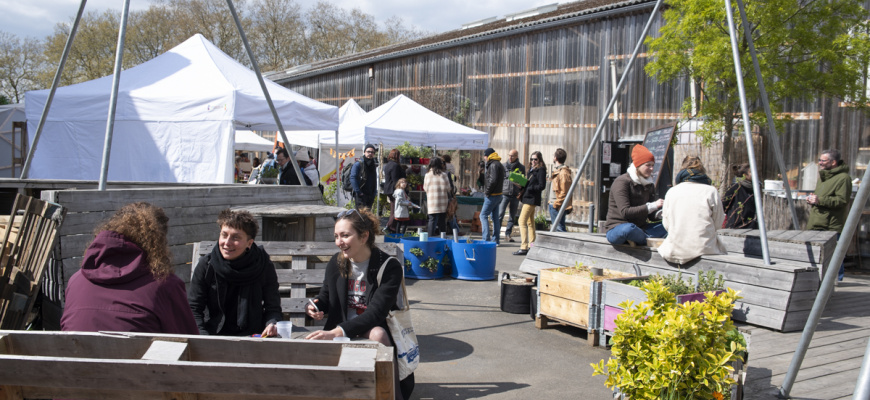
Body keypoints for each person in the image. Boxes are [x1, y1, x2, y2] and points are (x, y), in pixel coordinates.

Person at [305, 207, 414, 399]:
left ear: (364, 236)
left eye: (345, 235)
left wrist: (336, 332)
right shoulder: (336, 262)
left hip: (367, 328)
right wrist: (315, 306)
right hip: (340, 330)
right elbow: (325, 296)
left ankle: (392, 394)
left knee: (378, 334)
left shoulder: (388, 267)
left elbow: (376, 314)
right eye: (336, 236)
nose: (339, 242)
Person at [61, 202, 198, 334]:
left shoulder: (75, 281)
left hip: (77, 356)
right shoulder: (165, 285)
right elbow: (190, 342)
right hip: (135, 357)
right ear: (157, 242)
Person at [188, 209, 282, 337]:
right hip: (214, 335)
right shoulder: (207, 265)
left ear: (249, 243)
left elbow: (273, 308)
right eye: (224, 235)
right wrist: (204, 338)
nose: (227, 243)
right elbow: (193, 308)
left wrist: (272, 323)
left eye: (235, 237)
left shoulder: (263, 265)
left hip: (255, 336)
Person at [657, 156, 727, 264]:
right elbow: (718, 222)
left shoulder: (672, 191)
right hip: (704, 247)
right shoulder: (710, 191)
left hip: (675, 247)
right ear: (702, 171)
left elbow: (666, 223)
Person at [604, 144, 667, 245]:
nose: (651, 169)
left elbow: (650, 216)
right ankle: (648, 239)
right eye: (648, 165)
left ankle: (643, 239)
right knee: (628, 230)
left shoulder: (649, 184)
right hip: (618, 228)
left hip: (641, 228)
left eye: (652, 165)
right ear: (638, 165)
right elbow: (625, 212)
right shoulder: (622, 182)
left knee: (672, 225)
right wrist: (653, 205)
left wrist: (662, 214)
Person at [807, 149, 851, 283]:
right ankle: (820, 279)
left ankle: (836, 279)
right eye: (819, 160)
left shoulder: (843, 178)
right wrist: (812, 199)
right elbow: (821, 197)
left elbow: (842, 201)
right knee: (817, 253)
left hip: (831, 223)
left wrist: (820, 200)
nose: (819, 163)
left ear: (833, 162)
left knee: (833, 253)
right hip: (817, 220)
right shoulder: (824, 177)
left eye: (823, 160)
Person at [514, 151, 547, 256]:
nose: (533, 161)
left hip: (532, 198)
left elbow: (542, 186)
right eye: (531, 159)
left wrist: (530, 188)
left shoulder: (541, 170)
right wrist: (520, 184)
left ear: (540, 160)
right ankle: (531, 245)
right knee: (529, 222)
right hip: (527, 197)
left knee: (521, 221)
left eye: (535, 159)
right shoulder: (531, 170)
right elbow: (528, 183)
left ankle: (523, 246)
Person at [498, 149, 525, 242]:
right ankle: (496, 234)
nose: (510, 157)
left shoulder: (521, 167)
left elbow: (523, 182)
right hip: (504, 193)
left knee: (512, 216)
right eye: (509, 155)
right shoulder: (503, 166)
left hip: (515, 194)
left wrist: (517, 181)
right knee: (500, 214)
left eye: (512, 156)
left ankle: (508, 234)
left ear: (517, 156)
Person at [480, 148, 505, 244]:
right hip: (498, 195)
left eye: (485, 156)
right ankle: (496, 240)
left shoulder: (493, 164)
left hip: (492, 195)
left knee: (483, 215)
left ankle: (485, 240)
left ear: (488, 156)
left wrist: (487, 192)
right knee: (495, 218)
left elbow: (493, 180)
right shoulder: (499, 164)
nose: (484, 158)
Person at [722, 163, 758, 229]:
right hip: (735, 227)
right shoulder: (735, 188)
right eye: (751, 172)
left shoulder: (754, 189)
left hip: (751, 227)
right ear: (745, 175)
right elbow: (723, 206)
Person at [423, 157, 451, 236]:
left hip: (432, 201)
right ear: (440, 164)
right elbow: (448, 188)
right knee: (442, 220)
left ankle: (430, 238)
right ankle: (443, 239)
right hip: (442, 200)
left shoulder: (427, 175)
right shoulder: (444, 175)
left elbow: (425, 188)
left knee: (432, 220)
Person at [548, 148, 573, 232]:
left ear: (555, 158)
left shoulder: (563, 173)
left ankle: (565, 245)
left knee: (560, 229)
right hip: (554, 204)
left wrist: (556, 204)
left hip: (557, 206)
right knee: (557, 229)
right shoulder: (558, 171)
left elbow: (565, 191)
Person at [384, 149, 406, 233]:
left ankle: (391, 227)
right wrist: (399, 190)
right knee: (396, 210)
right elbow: (395, 179)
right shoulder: (395, 166)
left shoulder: (388, 165)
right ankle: (389, 226)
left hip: (389, 190)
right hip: (394, 190)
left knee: (393, 209)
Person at [351, 144, 379, 210]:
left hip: (370, 194)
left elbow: (374, 179)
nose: (370, 153)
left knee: (368, 216)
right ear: (364, 152)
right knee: (361, 216)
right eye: (368, 151)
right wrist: (358, 192)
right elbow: (353, 178)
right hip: (361, 194)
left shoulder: (373, 164)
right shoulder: (358, 164)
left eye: (372, 152)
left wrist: (374, 192)